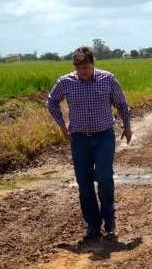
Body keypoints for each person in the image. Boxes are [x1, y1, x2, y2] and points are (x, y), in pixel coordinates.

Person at [47, 46, 132, 241]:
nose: (82, 72)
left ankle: (109, 217)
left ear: (93, 64)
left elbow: (121, 104)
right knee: (84, 183)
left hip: (104, 136)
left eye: (86, 67)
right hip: (79, 138)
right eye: (79, 68)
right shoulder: (65, 82)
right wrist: (62, 126)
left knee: (103, 177)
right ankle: (93, 224)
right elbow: (51, 102)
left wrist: (127, 126)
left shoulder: (107, 79)